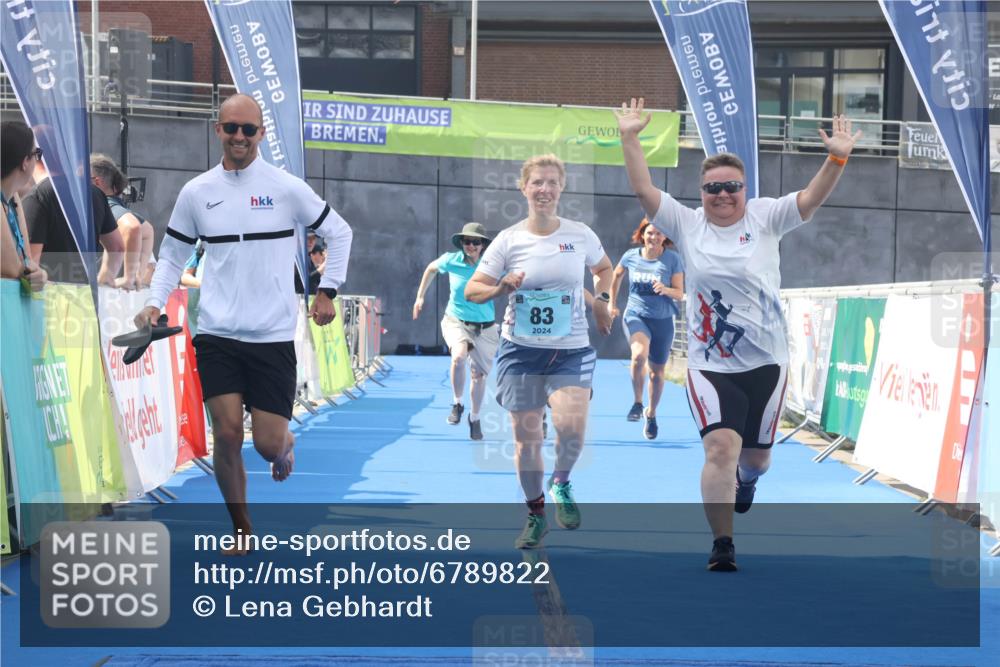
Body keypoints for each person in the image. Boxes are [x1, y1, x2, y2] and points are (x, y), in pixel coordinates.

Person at [616, 97, 861, 571]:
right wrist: (631, 137)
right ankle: (722, 543)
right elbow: (644, 188)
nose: (722, 195)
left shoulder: (766, 217)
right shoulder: (685, 225)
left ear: (745, 189)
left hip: (768, 363)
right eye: (713, 188)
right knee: (720, 447)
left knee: (756, 461)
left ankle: (747, 483)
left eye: (731, 186)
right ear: (701, 191)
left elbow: (811, 198)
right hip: (712, 365)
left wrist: (838, 157)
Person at [133, 93, 353, 552]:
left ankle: (285, 442)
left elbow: (339, 231)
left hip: (271, 336)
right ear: (217, 130)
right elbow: (172, 257)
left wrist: (328, 289)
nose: (238, 137)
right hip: (217, 335)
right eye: (230, 128)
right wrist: (156, 303)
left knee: (269, 445)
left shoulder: (286, 187)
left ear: (261, 134)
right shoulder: (197, 192)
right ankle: (241, 529)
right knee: (229, 432)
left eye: (247, 130)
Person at [465, 154, 614, 549]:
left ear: (561, 188)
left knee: (570, 429)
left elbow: (604, 268)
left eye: (552, 182)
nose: (544, 189)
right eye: (537, 183)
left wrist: (601, 300)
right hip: (521, 352)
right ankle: (535, 514)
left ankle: (561, 481)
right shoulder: (509, 240)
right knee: (526, 440)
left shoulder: (580, 233)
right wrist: (500, 289)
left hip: (570, 349)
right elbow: (472, 289)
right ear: (524, 188)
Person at [412, 222, 499, 440]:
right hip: (456, 320)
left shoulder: (493, 264)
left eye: (475, 242)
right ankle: (457, 403)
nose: (470, 246)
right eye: (466, 242)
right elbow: (431, 269)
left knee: (478, 376)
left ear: (483, 245)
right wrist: (420, 296)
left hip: (486, 326)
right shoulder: (451, 259)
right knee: (458, 356)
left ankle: (475, 418)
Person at [609, 218, 684, 439]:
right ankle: (637, 402)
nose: (654, 238)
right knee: (639, 356)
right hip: (636, 315)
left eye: (659, 234)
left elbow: (679, 293)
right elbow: (616, 275)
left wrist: (666, 289)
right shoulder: (630, 256)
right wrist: (611, 303)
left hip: (662, 320)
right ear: (643, 234)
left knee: (657, 373)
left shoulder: (672, 259)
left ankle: (650, 413)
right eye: (650, 233)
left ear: (665, 237)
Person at [23, 148, 124, 286]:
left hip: (48, 299)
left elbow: (29, 263)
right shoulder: (95, 193)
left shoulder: (37, 196)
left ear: (34, 159)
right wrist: (104, 278)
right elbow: (117, 247)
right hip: (83, 298)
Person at [90, 154, 156, 291]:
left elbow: (132, 227)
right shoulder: (115, 207)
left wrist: (128, 277)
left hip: (102, 298)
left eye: (81, 179)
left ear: (96, 182)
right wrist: (136, 275)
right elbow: (148, 230)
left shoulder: (107, 206)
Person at [1, 121, 47, 291]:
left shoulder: (12, 197)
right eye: (37, 153)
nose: (37, 160)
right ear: (25, 162)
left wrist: (40, 274)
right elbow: (11, 268)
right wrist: (36, 274)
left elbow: (26, 263)